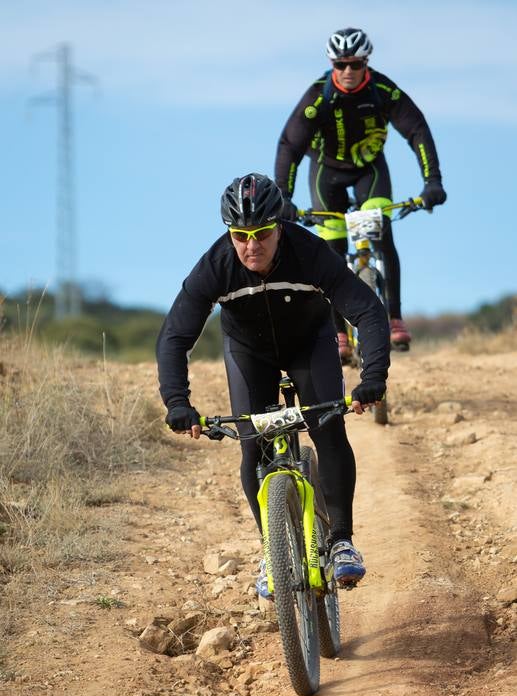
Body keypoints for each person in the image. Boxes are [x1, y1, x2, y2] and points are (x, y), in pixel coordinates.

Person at [156, 173, 390, 598]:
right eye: (240, 235)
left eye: (262, 233)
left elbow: (369, 313)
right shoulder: (216, 266)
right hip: (250, 353)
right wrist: (177, 401)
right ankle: (273, 552)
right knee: (253, 446)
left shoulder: (310, 253)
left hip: (309, 345)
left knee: (328, 429)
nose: (251, 245)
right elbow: (175, 337)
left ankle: (340, 540)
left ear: (279, 225)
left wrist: (371, 377)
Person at [274, 26, 447, 356]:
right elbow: (289, 146)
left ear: (366, 62)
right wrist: (284, 195)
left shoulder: (382, 90)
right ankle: (339, 332)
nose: (348, 71)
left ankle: (395, 317)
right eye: (341, 65)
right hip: (327, 172)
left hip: (370, 170)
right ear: (332, 65)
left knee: (381, 233)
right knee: (331, 253)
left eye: (355, 64)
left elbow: (417, 131)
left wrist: (432, 181)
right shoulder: (317, 96)